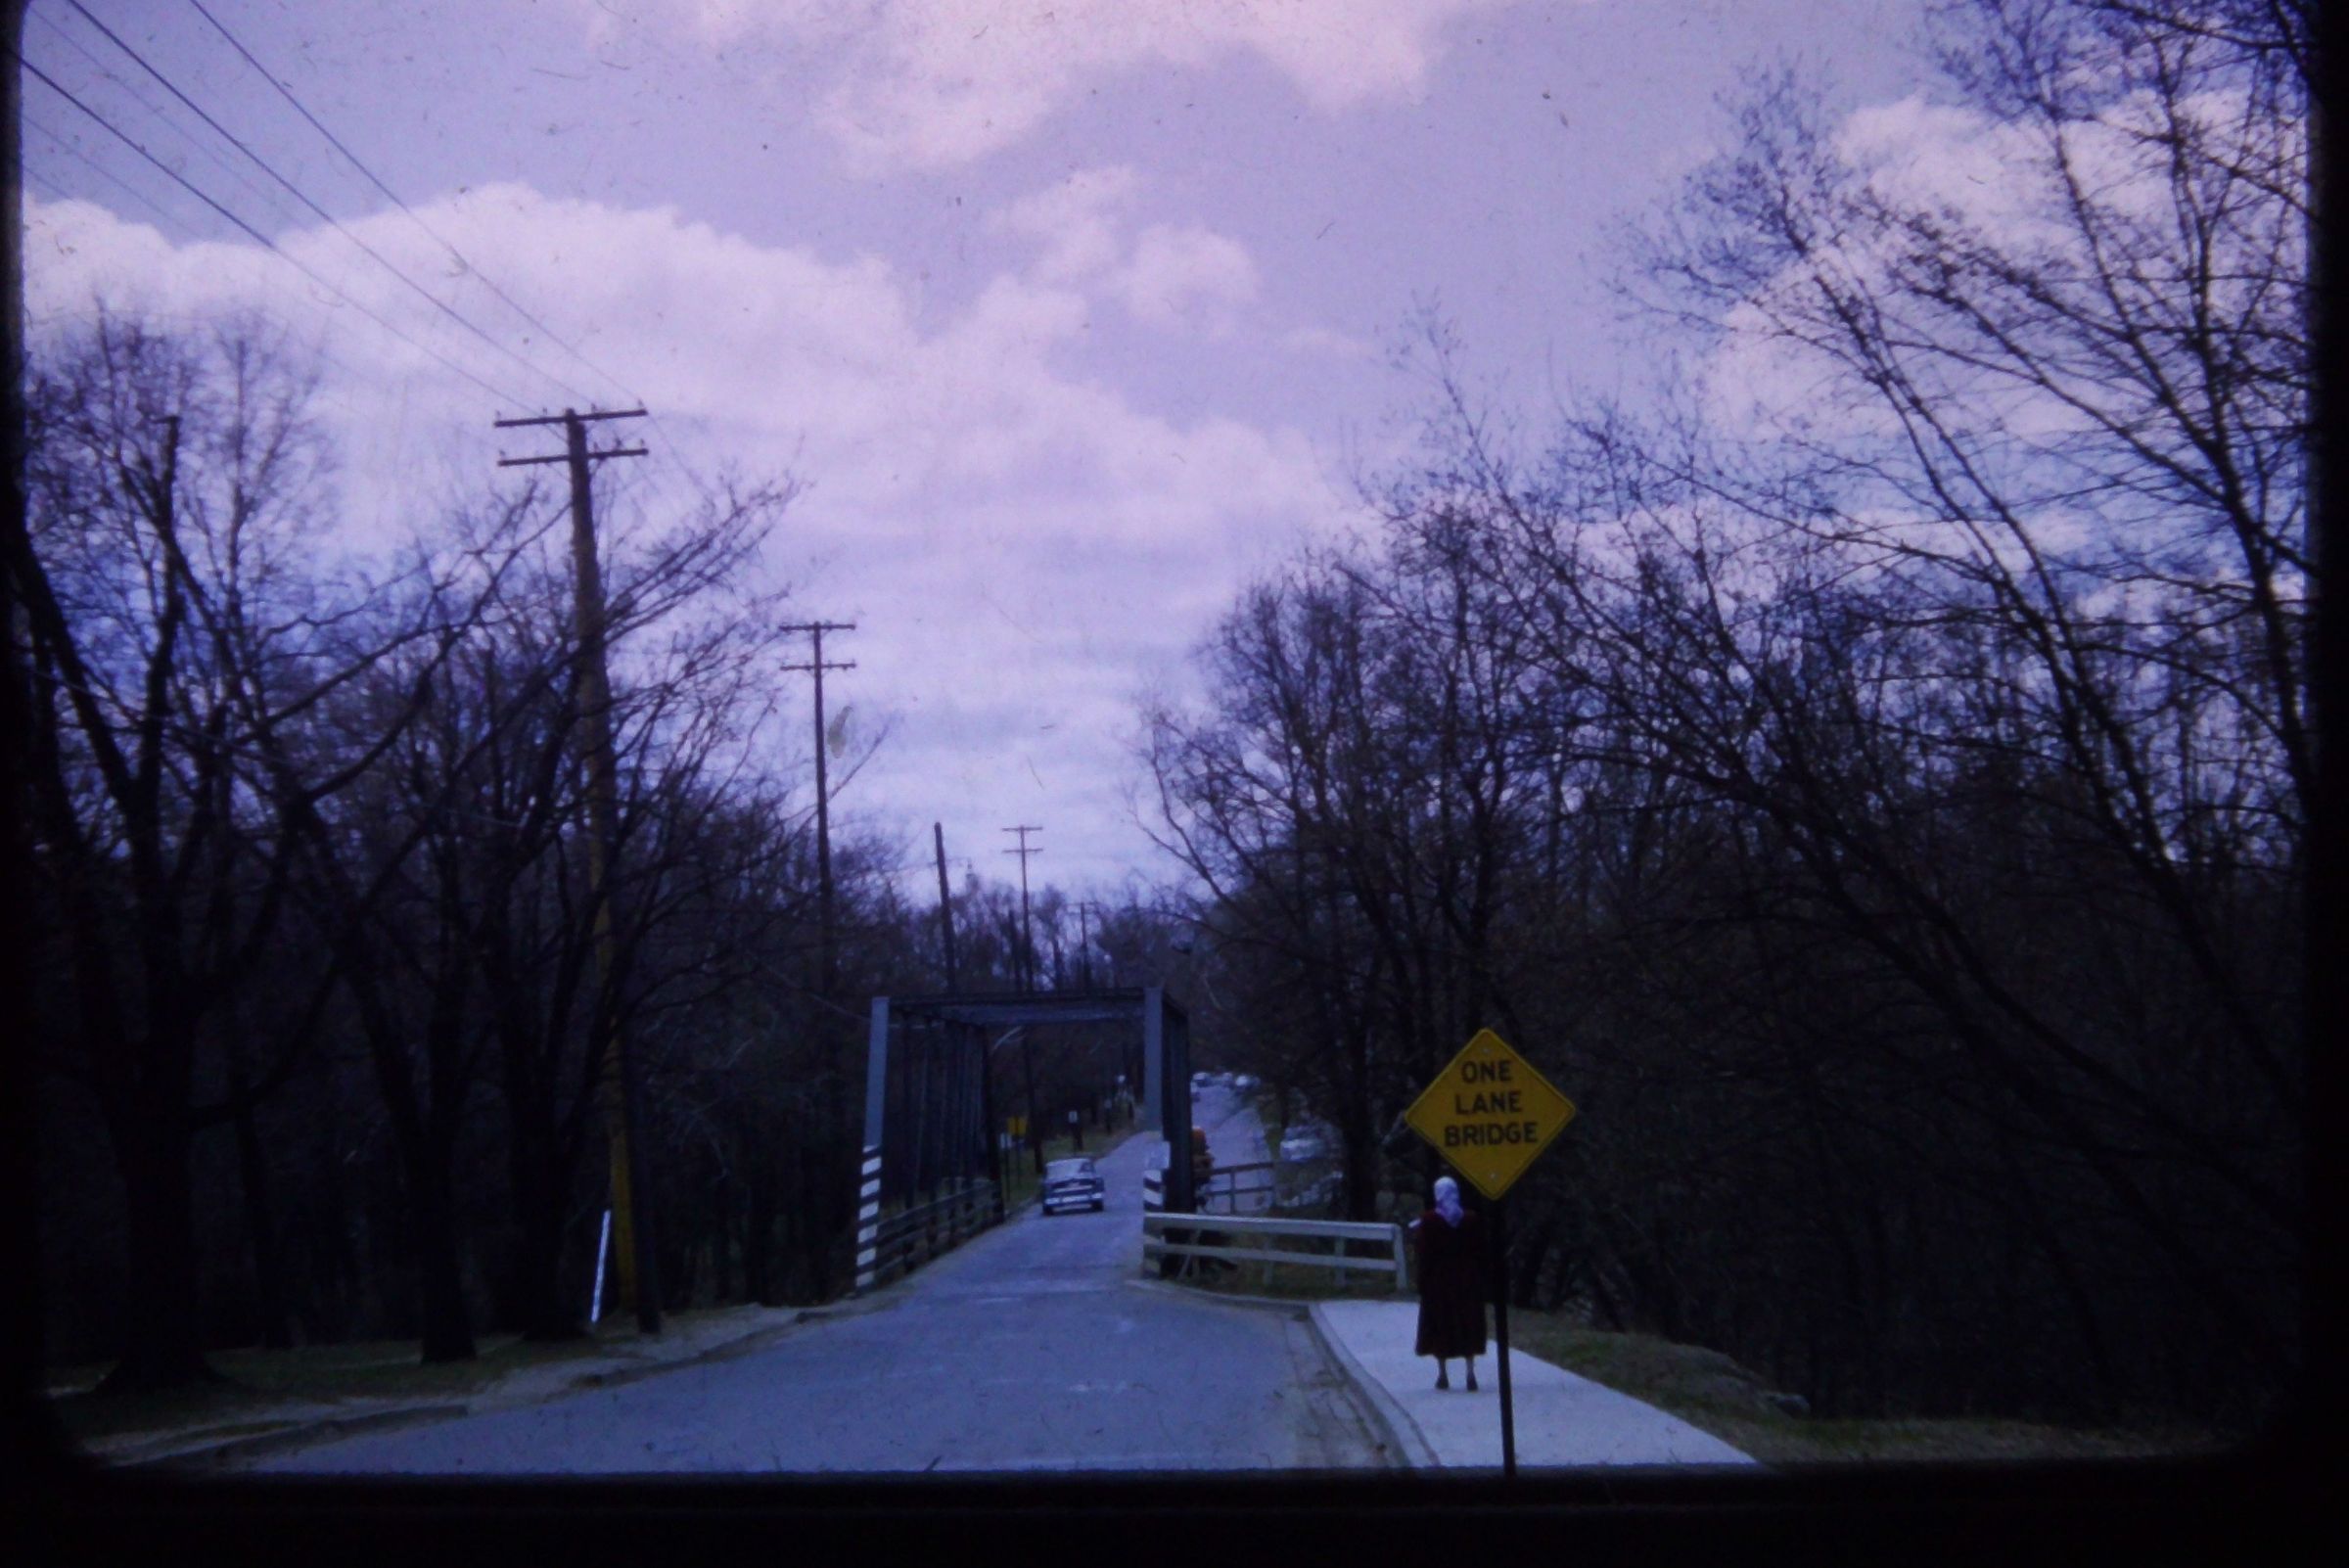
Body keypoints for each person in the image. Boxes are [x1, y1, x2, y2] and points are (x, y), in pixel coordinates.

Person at [1410, 1176, 1488, 1391]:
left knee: (1441, 1325)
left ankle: (1443, 1374)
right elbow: (1480, 1251)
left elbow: (1424, 1254)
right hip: (1467, 1280)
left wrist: (1421, 1281)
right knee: (1468, 1324)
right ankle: (1470, 1373)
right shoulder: (1470, 1219)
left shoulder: (1429, 1220)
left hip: (1439, 1282)